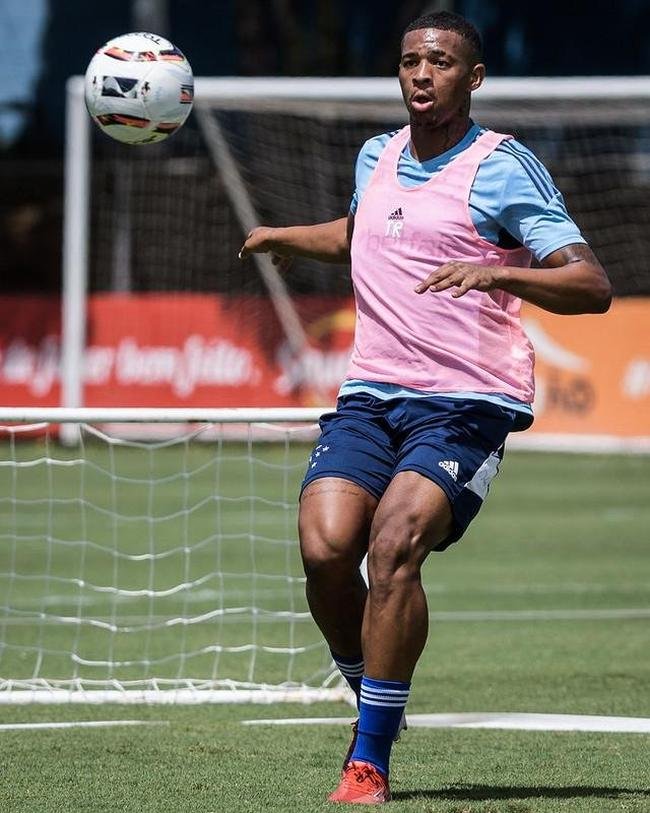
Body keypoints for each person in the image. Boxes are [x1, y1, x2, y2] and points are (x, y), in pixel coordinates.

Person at [240, 10, 612, 805]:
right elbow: (362, 233)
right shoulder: (376, 154)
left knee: (395, 538)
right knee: (325, 548)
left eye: (439, 62)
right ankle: (374, 682)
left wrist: (499, 274)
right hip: (371, 393)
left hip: (465, 404)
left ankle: (368, 756)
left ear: (471, 78)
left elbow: (592, 285)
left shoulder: (503, 167)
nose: (420, 74)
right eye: (409, 60)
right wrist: (281, 236)